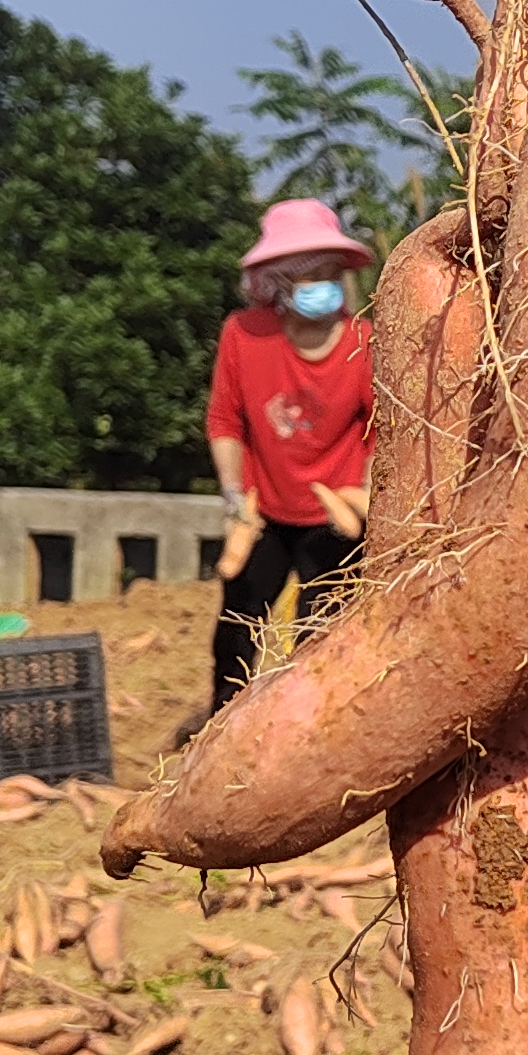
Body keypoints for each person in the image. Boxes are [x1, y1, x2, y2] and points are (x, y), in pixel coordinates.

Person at [206, 199, 375, 716]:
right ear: (276, 283)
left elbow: (382, 428)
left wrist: (365, 497)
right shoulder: (245, 335)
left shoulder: (365, 342)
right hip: (265, 510)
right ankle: (221, 728)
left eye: (328, 274)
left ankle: (311, 734)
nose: (321, 286)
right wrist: (235, 497)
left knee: (320, 639)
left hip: (336, 516)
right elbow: (225, 420)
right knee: (236, 629)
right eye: (307, 276)